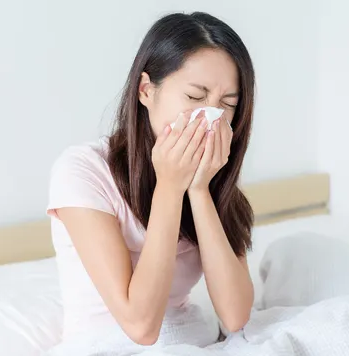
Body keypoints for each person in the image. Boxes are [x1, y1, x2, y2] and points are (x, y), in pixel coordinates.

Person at [45, 11, 256, 351]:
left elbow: (235, 319)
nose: (209, 117)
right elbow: (140, 327)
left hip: (196, 341)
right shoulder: (83, 171)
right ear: (146, 90)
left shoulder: (214, 181)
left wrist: (199, 190)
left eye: (226, 104)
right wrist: (170, 189)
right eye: (195, 97)